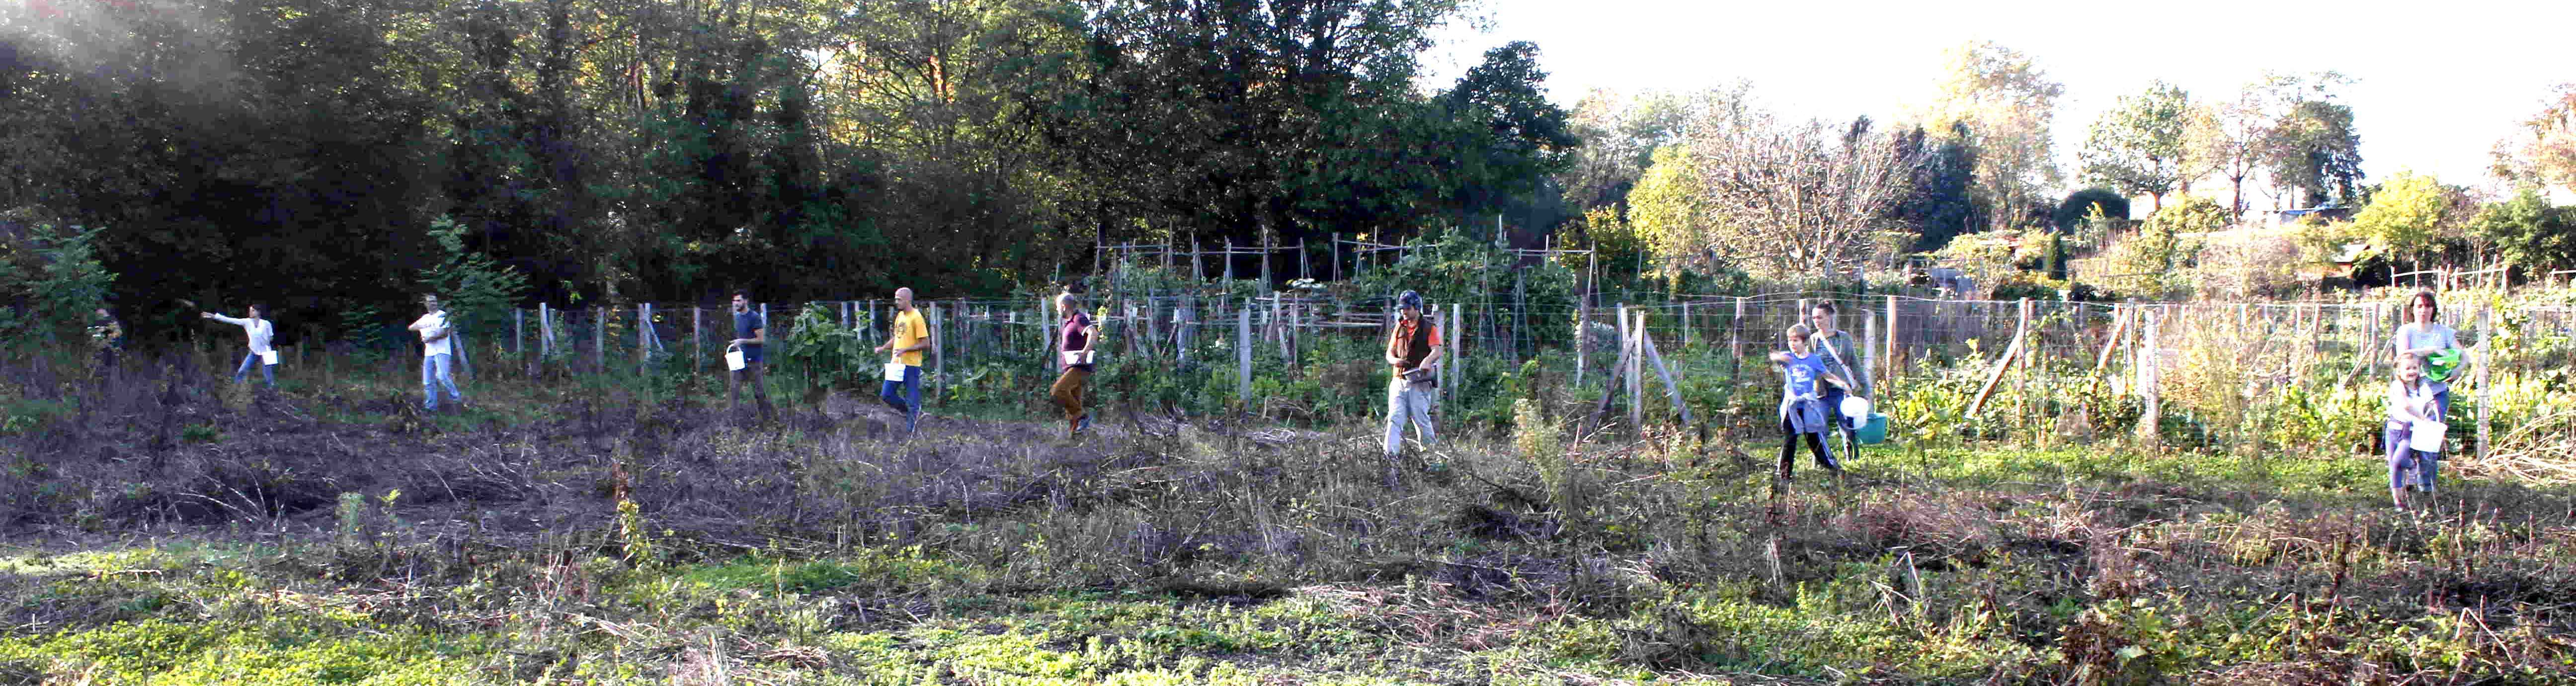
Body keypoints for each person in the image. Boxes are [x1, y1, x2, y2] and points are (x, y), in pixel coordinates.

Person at [1771, 324, 1850, 482]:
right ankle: (1784, 476)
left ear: (1805, 342)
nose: (1792, 344)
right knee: (1790, 439)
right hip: (1792, 406)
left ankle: (1833, 468)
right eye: (1790, 341)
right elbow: (1774, 356)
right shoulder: (1788, 358)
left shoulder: (1814, 360)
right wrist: (1779, 357)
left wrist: (1842, 383)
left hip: (1808, 406)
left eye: (1796, 341)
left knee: (1815, 437)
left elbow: (1827, 375)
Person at [1806, 301, 1872, 459]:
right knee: (1819, 428)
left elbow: (1854, 363)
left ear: (1829, 317)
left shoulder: (1843, 338)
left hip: (1842, 391)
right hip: (1821, 392)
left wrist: (1865, 387)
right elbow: (1808, 365)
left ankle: (1853, 459)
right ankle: (1821, 461)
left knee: (1848, 427)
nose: (1816, 321)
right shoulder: (1813, 340)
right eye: (1814, 318)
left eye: (1820, 317)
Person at [1383, 290, 1442, 461]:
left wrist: (1427, 361)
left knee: (1421, 420)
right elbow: (1389, 353)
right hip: (1398, 381)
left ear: (1417, 308)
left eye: (1408, 308)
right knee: (1394, 419)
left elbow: (1437, 350)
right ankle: (1390, 458)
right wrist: (1395, 361)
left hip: (1419, 381)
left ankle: (1431, 458)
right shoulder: (1399, 327)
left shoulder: (1429, 328)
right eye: (1402, 308)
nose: (1404, 312)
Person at [2385, 353, 2445, 511]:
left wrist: (2431, 418)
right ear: (2399, 371)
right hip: (2394, 430)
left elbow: (2430, 407)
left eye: (2415, 368)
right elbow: (2406, 405)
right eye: (2407, 369)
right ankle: (2399, 502)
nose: (2411, 371)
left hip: (2411, 432)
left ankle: (2413, 468)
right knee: (2394, 467)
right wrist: (2423, 418)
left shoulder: (2423, 388)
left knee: (2399, 461)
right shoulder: (2398, 386)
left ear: (2419, 369)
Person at [2392, 289, 2460, 421]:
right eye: (2420, 306)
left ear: (2433, 310)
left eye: (2428, 306)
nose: (2423, 310)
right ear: (2413, 309)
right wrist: (2429, 351)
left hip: (2436, 392)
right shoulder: (2405, 331)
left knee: (2433, 428)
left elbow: (2462, 355)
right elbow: (2402, 356)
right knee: (2408, 428)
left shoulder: (2444, 332)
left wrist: (2457, 370)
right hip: (2410, 391)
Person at [874, 287, 931, 432]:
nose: (896, 302)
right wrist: (883, 348)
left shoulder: (916, 317)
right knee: (887, 395)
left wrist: (906, 350)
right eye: (896, 299)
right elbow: (897, 338)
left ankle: (912, 431)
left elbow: (926, 344)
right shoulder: (900, 316)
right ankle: (910, 414)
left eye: (899, 299)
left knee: (912, 399)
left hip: (911, 365)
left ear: (907, 300)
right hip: (897, 364)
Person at [1050, 290, 1100, 437]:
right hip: (1072, 367)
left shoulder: (1079, 319)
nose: (1057, 309)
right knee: (1074, 405)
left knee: (1058, 390)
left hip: (1079, 368)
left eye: (1057, 306)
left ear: (1064, 306)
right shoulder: (1070, 322)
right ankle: (1076, 439)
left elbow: (1093, 333)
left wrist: (1085, 352)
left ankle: (1084, 417)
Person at [407, 295, 467, 412]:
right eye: (430, 302)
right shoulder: (425, 318)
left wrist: (431, 337)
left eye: (434, 301)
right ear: (425, 304)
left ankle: (456, 399)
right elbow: (411, 328)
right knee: (428, 381)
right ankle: (431, 407)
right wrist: (424, 326)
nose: (433, 303)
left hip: (442, 351)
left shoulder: (442, 315)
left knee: (442, 376)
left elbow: (444, 333)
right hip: (429, 353)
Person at [724, 291, 775, 423]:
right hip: (740, 360)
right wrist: (737, 344)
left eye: (739, 301)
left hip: (754, 361)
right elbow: (742, 336)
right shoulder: (737, 317)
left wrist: (742, 341)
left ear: (745, 301)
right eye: (735, 301)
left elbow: (761, 339)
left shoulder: (754, 317)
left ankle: (768, 420)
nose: (736, 303)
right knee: (734, 391)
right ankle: (732, 423)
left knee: (759, 392)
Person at [201, 305, 275, 388]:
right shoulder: (247, 322)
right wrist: (213, 316)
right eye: (250, 310)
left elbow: (271, 337)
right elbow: (230, 320)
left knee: (268, 373)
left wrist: (267, 341)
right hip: (254, 351)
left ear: (258, 312)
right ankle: (236, 387)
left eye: (253, 311)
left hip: (266, 352)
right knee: (242, 370)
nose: (250, 312)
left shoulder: (266, 324)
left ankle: (271, 389)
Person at [89, 307, 125, 372]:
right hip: (102, 345)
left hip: (110, 344)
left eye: (100, 313)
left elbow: (118, 332)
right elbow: (93, 334)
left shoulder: (111, 320)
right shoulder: (98, 322)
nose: (99, 314)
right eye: (98, 314)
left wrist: (110, 335)